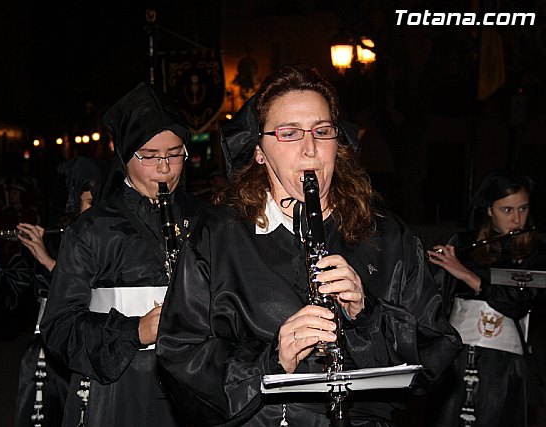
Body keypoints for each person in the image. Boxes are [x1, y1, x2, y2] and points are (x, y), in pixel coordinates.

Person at [155, 64, 462, 426]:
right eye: (289, 133)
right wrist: (272, 360)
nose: (310, 149)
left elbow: (435, 352)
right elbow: (180, 356)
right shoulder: (216, 237)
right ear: (259, 151)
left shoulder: (388, 235)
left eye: (322, 131)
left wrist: (367, 314)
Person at [40, 82, 209, 427]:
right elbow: (58, 328)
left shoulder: (209, 220)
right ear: (125, 155)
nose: (165, 168)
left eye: (175, 153)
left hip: (198, 381)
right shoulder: (92, 229)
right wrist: (134, 331)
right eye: (149, 156)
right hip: (120, 390)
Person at [0, 156, 105, 426]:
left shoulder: (114, 241)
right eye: (90, 203)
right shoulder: (54, 239)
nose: (97, 211)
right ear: (74, 202)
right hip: (50, 360)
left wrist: (50, 263)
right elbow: (12, 298)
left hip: (93, 351)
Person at [425, 170, 546, 427]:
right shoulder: (464, 244)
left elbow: (518, 303)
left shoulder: (536, 253)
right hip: (457, 357)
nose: (517, 219)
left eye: (523, 209)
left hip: (504, 362)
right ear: (489, 210)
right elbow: (437, 300)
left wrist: (469, 277)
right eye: (507, 210)